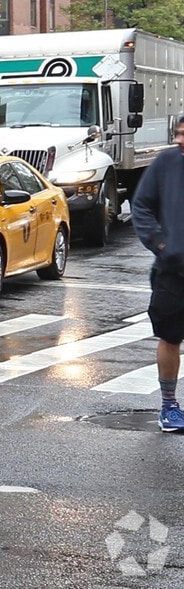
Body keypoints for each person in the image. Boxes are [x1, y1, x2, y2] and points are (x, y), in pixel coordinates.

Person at [131, 113, 184, 433]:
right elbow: (141, 206)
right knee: (170, 336)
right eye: (178, 133)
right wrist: (161, 244)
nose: (179, 140)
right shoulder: (166, 163)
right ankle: (169, 406)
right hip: (172, 270)